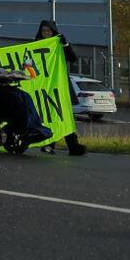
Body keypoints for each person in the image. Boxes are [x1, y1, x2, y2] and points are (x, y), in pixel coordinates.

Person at [35, 19, 87, 157]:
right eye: (44, 31)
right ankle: (49, 144)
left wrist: (65, 44)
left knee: (64, 116)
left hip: (59, 85)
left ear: (53, 32)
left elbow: (73, 58)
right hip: (45, 87)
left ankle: (73, 146)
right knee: (48, 116)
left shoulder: (59, 44)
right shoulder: (35, 45)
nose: (46, 33)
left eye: (48, 31)